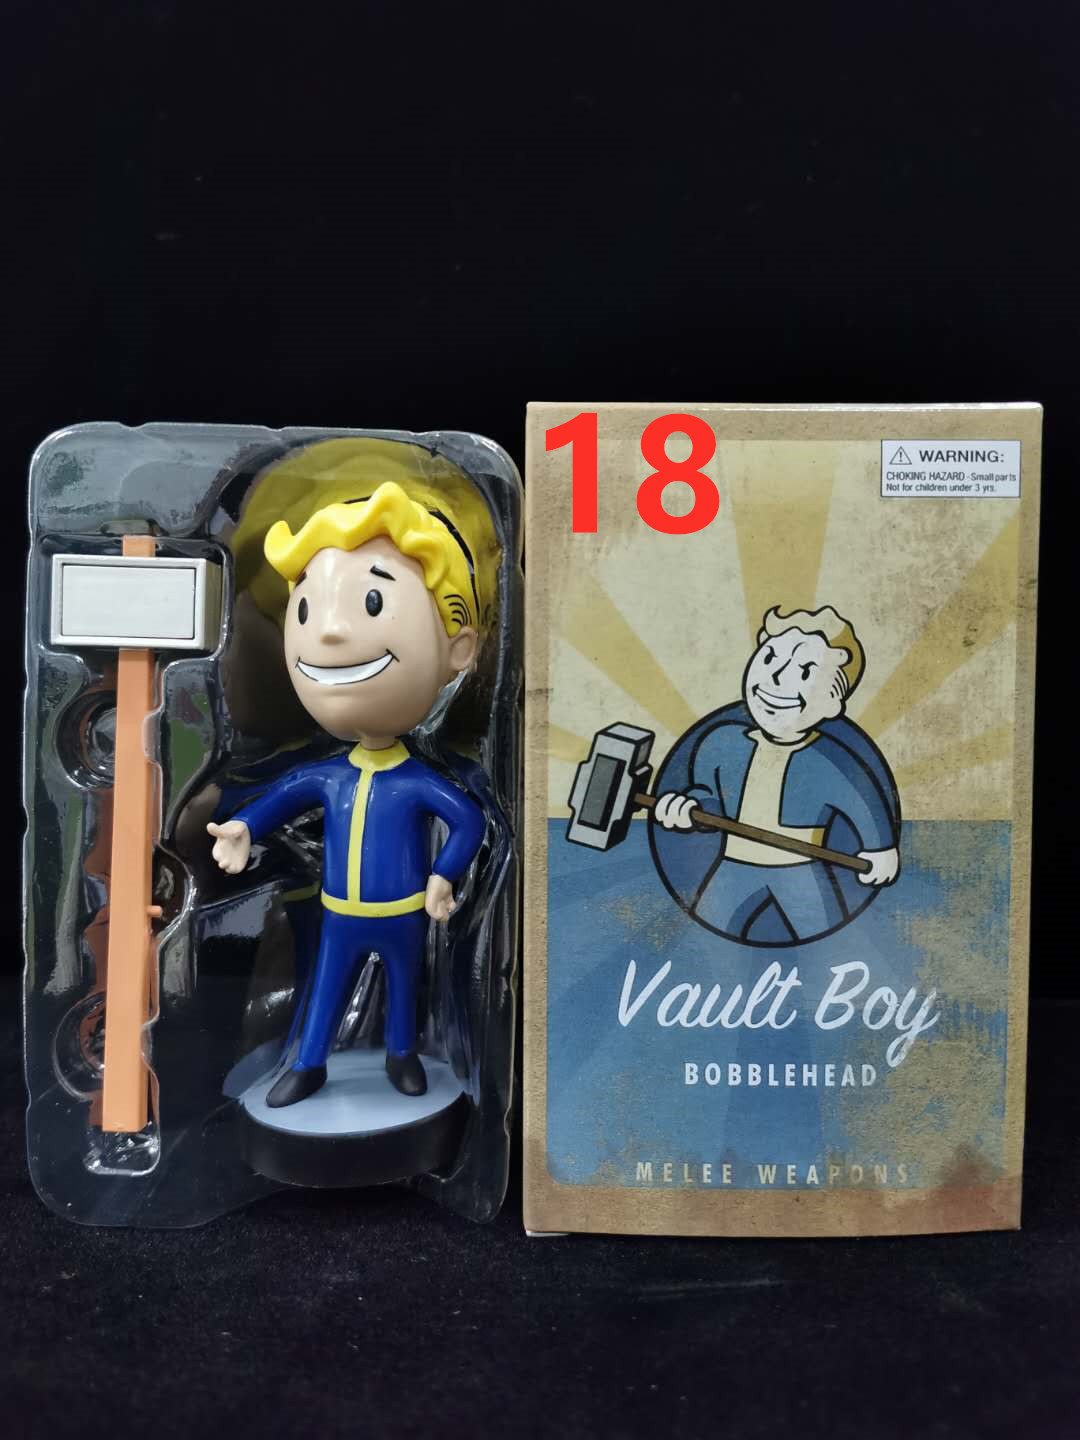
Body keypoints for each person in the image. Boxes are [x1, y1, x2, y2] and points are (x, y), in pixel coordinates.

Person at [208, 477, 487, 1105]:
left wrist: (444, 876)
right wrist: (244, 827)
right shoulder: (327, 776)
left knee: (405, 986)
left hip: (404, 912)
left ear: (459, 649)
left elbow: (468, 821)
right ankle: (309, 1062)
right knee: (327, 988)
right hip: (338, 913)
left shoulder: (417, 780)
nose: (330, 634)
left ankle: (401, 1054)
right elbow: (283, 795)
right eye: (306, 611)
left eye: (371, 602)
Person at [654, 606, 899, 945]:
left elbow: (863, 803)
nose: (778, 678)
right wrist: (686, 808)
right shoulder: (719, 743)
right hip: (732, 866)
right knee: (704, 944)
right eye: (770, 658)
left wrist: (880, 849)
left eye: (806, 672)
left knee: (828, 946)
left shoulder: (829, 761)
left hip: (801, 872)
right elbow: (708, 797)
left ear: (833, 701)